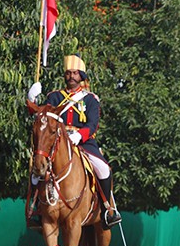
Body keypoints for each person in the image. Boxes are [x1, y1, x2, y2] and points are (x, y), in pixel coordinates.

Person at [27, 54, 121, 228]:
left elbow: (93, 124)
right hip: (57, 142)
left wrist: (79, 135)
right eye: (68, 73)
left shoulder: (90, 99)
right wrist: (31, 99)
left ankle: (107, 209)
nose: (71, 76)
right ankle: (36, 209)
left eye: (75, 73)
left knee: (103, 169)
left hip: (83, 142)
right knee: (36, 173)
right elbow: (41, 118)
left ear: (81, 76)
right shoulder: (54, 97)